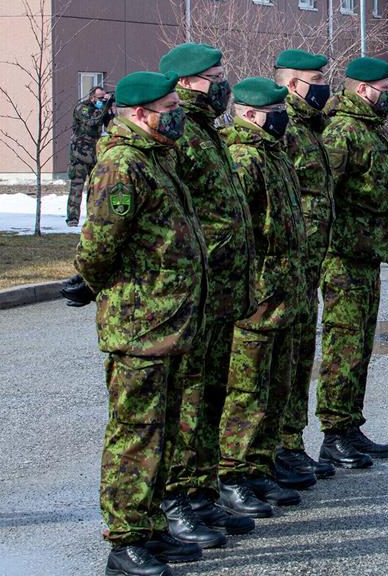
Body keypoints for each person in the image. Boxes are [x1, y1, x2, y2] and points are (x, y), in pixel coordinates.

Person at [69, 70, 210, 576]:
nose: (176, 115)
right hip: (140, 322)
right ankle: (125, 538)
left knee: (164, 427)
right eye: (167, 108)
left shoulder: (158, 158)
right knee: (135, 431)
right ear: (138, 114)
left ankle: (150, 525)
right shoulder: (122, 165)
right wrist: (90, 282)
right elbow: (100, 244)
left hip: (169, 319)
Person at [154, 43, 259, 536]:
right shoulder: (185, 139)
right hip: (198, 288)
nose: (223, 83)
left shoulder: (206, 133)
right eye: (215, 76)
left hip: (221, 289)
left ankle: (200, 490)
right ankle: (179, 496)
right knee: (190, 399)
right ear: (187, 82)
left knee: (212, 392)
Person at [216, 78, 310, 517]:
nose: (282, 118)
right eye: (274, 111)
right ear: (250, 115)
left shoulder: (273, 154)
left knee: (277, 384)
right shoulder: (243, 158)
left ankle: (260, 465)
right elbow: (236, 231)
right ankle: (233, 472)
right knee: (247, 389)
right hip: (259, 293)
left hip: (284, 289)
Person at [317, 56, 388, 469]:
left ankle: (350, 425)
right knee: (343, 344)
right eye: (384, 87)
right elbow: (323, 194)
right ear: (363, 89)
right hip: (344, 256)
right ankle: (334, 433)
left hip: (365, 254)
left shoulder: (367, 128)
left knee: (359, 345)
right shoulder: (342, 131)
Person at [272, 49, 337, 482]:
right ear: (293, 84)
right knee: (284, 358)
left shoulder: (313, 126)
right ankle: (281, 447)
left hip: (310, 261)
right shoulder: (288, 129)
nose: (322, 86)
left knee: (300, 356)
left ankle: (291, 443)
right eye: (315, 79)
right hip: (291, 261)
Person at [67, 82, 113, 226]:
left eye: (102, 98)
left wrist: (110, 110)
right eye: (99, 98)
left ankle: (93, 216)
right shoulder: (83, 108)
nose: (101, 101)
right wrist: (104, 106)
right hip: (79, 154)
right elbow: (92, 121)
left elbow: (111, 126)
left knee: (95, 188)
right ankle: (73, 219)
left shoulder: (100, 109)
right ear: (92, 97)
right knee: (77, 187)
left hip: (94, 154)